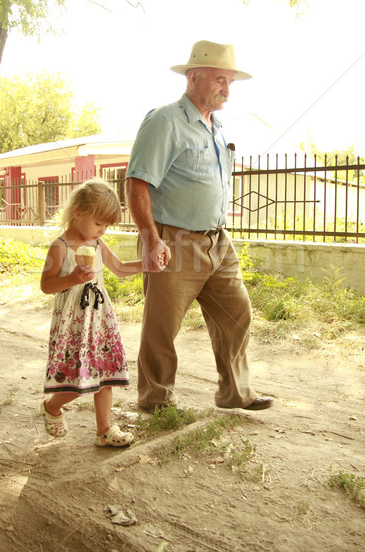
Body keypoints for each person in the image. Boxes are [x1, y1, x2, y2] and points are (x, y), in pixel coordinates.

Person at [126, 40, 273, 413]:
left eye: (231, 81)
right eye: (220, 79)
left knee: (237, 312)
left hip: (217, 241)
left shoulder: (217, 128)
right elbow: (138, 182)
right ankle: (155, 401)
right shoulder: (165, 121)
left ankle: (234, 392)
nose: (227, 88)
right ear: (194, 77)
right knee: (162, 327)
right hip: (173, 240)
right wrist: (151, 240)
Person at [40, 177, 143, 447]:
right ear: (78, 214)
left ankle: (104, 431)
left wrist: (148, 264)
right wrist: (72, 279)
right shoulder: (60, 246)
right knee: (76, 379)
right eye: (99, 223)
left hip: (99, 317)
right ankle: (51, 406)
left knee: (105, 375)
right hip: (74, 320)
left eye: (107, 225)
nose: (103, 230)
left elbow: (119, 269)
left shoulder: (98, 245)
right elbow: (46, 285)